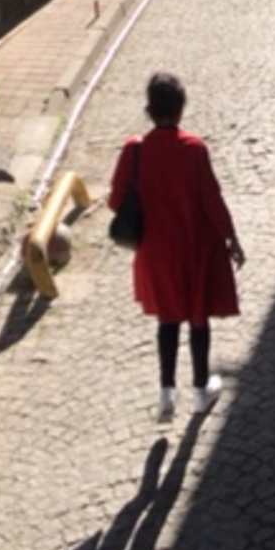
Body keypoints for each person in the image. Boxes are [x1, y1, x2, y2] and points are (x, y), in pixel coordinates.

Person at [109, 71, 245, 421]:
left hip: (155, 253)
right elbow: (212, 200)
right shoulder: (194, 149)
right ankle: (201, 391)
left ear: (149, 109)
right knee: (199, 319)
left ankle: (166, 393)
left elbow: (115, 201)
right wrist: (231, 238)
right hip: (195, 249)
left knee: (167, 319)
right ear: (181, 108)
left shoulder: (135, 151)